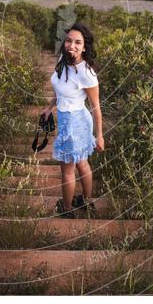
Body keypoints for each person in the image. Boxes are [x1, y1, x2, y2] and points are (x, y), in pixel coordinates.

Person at [42, 22, 105, 218]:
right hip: (67, 117)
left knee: (69, 169)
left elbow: (96, 107)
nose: (72, 45)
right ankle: (87, 202)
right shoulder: (63, 60)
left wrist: (100, 136)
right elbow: (61, 89)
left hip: (75, 121)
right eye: (69, 40)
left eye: (78, 42)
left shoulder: (86, 73)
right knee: (81, 163)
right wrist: (49, 107)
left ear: (85, 47)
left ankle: (68, 209)